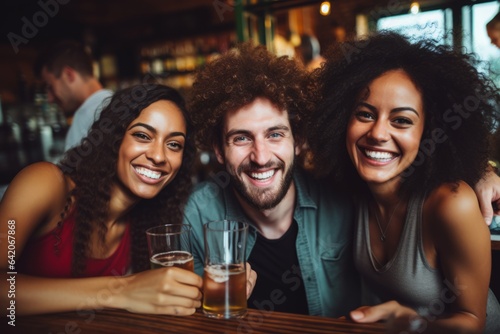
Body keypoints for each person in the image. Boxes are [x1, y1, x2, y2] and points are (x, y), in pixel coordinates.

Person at [309, 31, 500, 333]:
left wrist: (414, 325)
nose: (378, 133)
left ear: (429, 131)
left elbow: (472, 322)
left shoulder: (451, 204)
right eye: (365, 114)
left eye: (401, 120)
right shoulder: (352, 188)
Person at [184, 42, 362, 317]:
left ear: (298, 140)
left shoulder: (342, 200)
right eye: (241, 138)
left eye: (275, 134)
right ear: (219, 150)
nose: (261, 156)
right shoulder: (196, 215)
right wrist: (210, 306)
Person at [0, 84, 204, 316]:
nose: (158, 156)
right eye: (142, 135)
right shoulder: (45, 184)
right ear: (113, 139)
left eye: (174, 144)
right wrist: (121, 290)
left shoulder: (144, 227)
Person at [34, 40, 113, 151]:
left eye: (49, 87)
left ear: (69, 75)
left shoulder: (83, 119)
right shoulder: (118, 104)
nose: (49, 99)